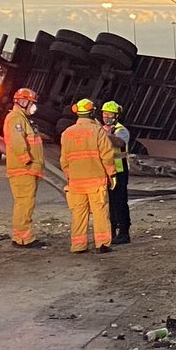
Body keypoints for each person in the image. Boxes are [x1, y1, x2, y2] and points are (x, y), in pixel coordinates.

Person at [60, 98, 116, 254]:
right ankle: (102, 244)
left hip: (76, 184)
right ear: (92, 113)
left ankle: (78, 245)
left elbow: (64, 160)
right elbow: (107, 155)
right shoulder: (98, 131)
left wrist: (70, 176)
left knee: (78, 214)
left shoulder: (67, 133)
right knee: (100, 212)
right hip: (96, 181)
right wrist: (111, 174)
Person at [3, 88, 45, 248]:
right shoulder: (15, 118)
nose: (33, 107)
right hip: (23, 170)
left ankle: (21, 237)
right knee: (24, 204)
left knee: (25, 204)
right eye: (32, 103)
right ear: (23, 102)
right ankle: (23, 239)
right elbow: (17, 142)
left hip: (26, 170)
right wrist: (27, 161)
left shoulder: (21, 118)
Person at [101, 100, 132, 244]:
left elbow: (120, 143)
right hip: (106, 171)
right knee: (109, 203)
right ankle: (111, 231)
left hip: (120, 171)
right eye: (104, 114)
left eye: (110, 114)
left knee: (120, 202)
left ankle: (124, 232)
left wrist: (103, 135)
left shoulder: (121, 130)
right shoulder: (101, 130)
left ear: (116, 116)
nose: (106, 117)